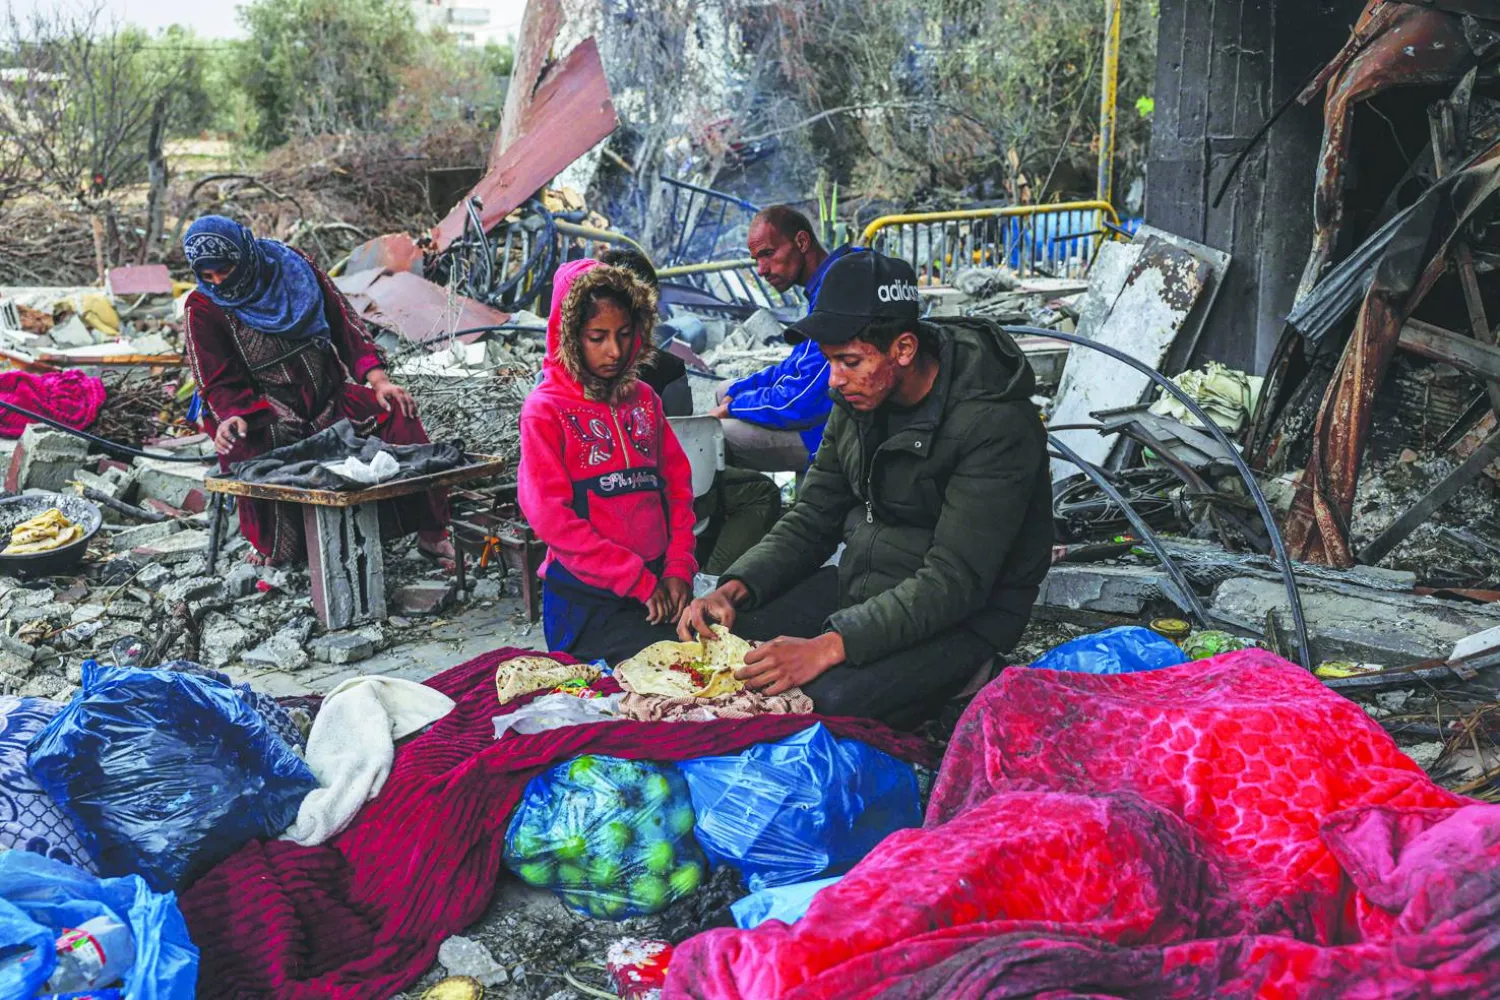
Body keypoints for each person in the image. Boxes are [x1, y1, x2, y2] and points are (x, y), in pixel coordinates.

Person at [678, 251, 1054, 729]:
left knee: (817, 703)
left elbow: (954, 581)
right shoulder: (857, 399)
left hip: (963, 617)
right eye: (830, 360)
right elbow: (812, 517)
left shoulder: (994, 424)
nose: (834, 380)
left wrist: (828, 647)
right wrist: (734, 589)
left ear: (903, 349)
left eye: (850, 361)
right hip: (862, 587)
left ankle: (971, 678)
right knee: (719, 649)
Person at [181, 215, 453, 568]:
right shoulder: (203, 307)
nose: (219, 282)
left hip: (328, 397)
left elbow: (344, 324)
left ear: (244, 255)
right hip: (266, 412)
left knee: (397, 412)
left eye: (225, 270)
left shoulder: (293, 268)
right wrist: (231, 416)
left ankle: (431, 532)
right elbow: (215, 378)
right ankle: (276, 547)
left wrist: (379, 381)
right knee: (242, 451)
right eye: (208, 276)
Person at [518, 257, 699, 664]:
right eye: (597, 337)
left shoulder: (645, 401)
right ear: (568, 336)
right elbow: (552, 519)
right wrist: (635, 579)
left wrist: (678, 567)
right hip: (586, 602)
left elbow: (677, 489)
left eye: (624, 333)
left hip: (659, 587)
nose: (614, 351)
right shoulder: (545, 411)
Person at [594, 246, 783, 575]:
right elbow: (681, 445)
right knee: (758, 492)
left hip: (596, 509)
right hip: (654, 498)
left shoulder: (561, 376)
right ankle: (710, 579)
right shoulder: (667, 368)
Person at [711, 206, 866, 471]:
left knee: (716, 436)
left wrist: (734, 408)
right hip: (819, 411)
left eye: (768, 254)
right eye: (756, 259)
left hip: (831, 430)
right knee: (725, 389)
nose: (761, 270)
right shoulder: (828, 280)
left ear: (802, 242)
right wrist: (739, 392)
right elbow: (796, 364)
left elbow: (803, 402)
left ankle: (753, 495)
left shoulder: (837, 290)